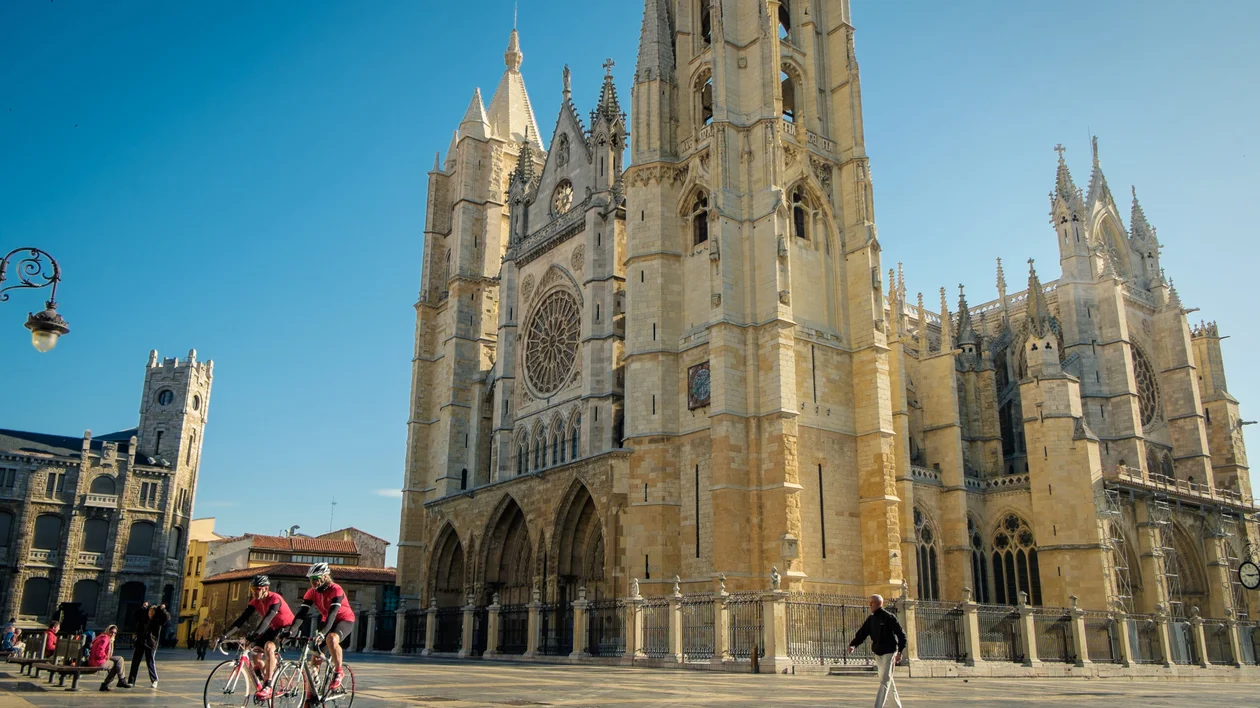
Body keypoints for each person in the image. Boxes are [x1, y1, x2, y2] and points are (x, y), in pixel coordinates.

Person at [220, 575, 295, 701]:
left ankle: (268, 685)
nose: (254, 592)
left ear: (266, 588)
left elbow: (267, 619)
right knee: (255, 651)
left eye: (257, 589)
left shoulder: (274, 598)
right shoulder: (255, 601)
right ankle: (264, 675)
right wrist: (226, 635)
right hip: (273, 627)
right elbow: (242, 619)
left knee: (269, 647)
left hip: (287, 627)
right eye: (252, 589)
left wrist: (255, 634)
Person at [284, 563, 355, 694]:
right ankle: (311, 697)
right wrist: (291, 630)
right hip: (325, 620)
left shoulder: (336, 589)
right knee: (315, 658)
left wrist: (322, 633)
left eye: (315, 578)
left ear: (325, 577)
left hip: (344, 620)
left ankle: (339, 671)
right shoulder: (311, 592)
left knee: (332, 638)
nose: (313, 582)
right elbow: (301, 613)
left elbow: (333, 613)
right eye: (310, 579)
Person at [848, 594, 906, 708]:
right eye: (870, 602)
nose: (870, 605)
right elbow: (862, 633)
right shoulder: (871, 619)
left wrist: (900, 652)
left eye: (872, 602)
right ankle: (897, 706)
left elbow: (901, 635)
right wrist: (853, 645)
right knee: (888, 680)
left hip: (889, 652)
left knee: (885, 680)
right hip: (878, 653)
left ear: (879, 603)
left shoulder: (889, 617)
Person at [126, 601, 170, 689]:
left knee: (150, 662)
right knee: (135, 661)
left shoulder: (158, 621)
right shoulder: (143, 618)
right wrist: (142, 607)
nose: (151, 613)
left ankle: (154, 680)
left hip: (150, 643)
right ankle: (131, 681)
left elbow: (167, 618)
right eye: (150, 611)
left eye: (153, 612)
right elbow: (135, 614)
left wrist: (162, 609)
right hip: (140, 642)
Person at [90, 625, 131, 691]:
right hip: (98, 661)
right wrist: (106, 657)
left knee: (119, 659)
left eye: (115, 633)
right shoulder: (105, 638)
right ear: (108, 631)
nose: (113, 634)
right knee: (116, 665)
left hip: (95, 660)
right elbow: (99, 653)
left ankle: (121, 680)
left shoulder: (104, 637)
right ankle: (107, 683)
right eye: (111, 632)